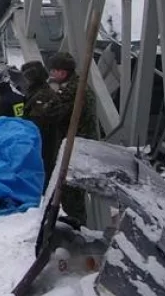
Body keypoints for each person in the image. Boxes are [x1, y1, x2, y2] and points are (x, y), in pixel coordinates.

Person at [47, 51, 98, 226]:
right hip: (79, 144)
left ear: (62, 72)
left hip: (75, 148)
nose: (51, 74)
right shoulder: (77, 86)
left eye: (53, 71)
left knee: (70, 191)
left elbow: (53, 114)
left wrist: (52, 94)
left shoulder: (71, 91)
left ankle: (77, 227)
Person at [20, 60, 59, 189]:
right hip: (39, 142)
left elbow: (36, 124)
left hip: (41, 143)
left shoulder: (42, 96)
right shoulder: (36, 92)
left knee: (41, 173)